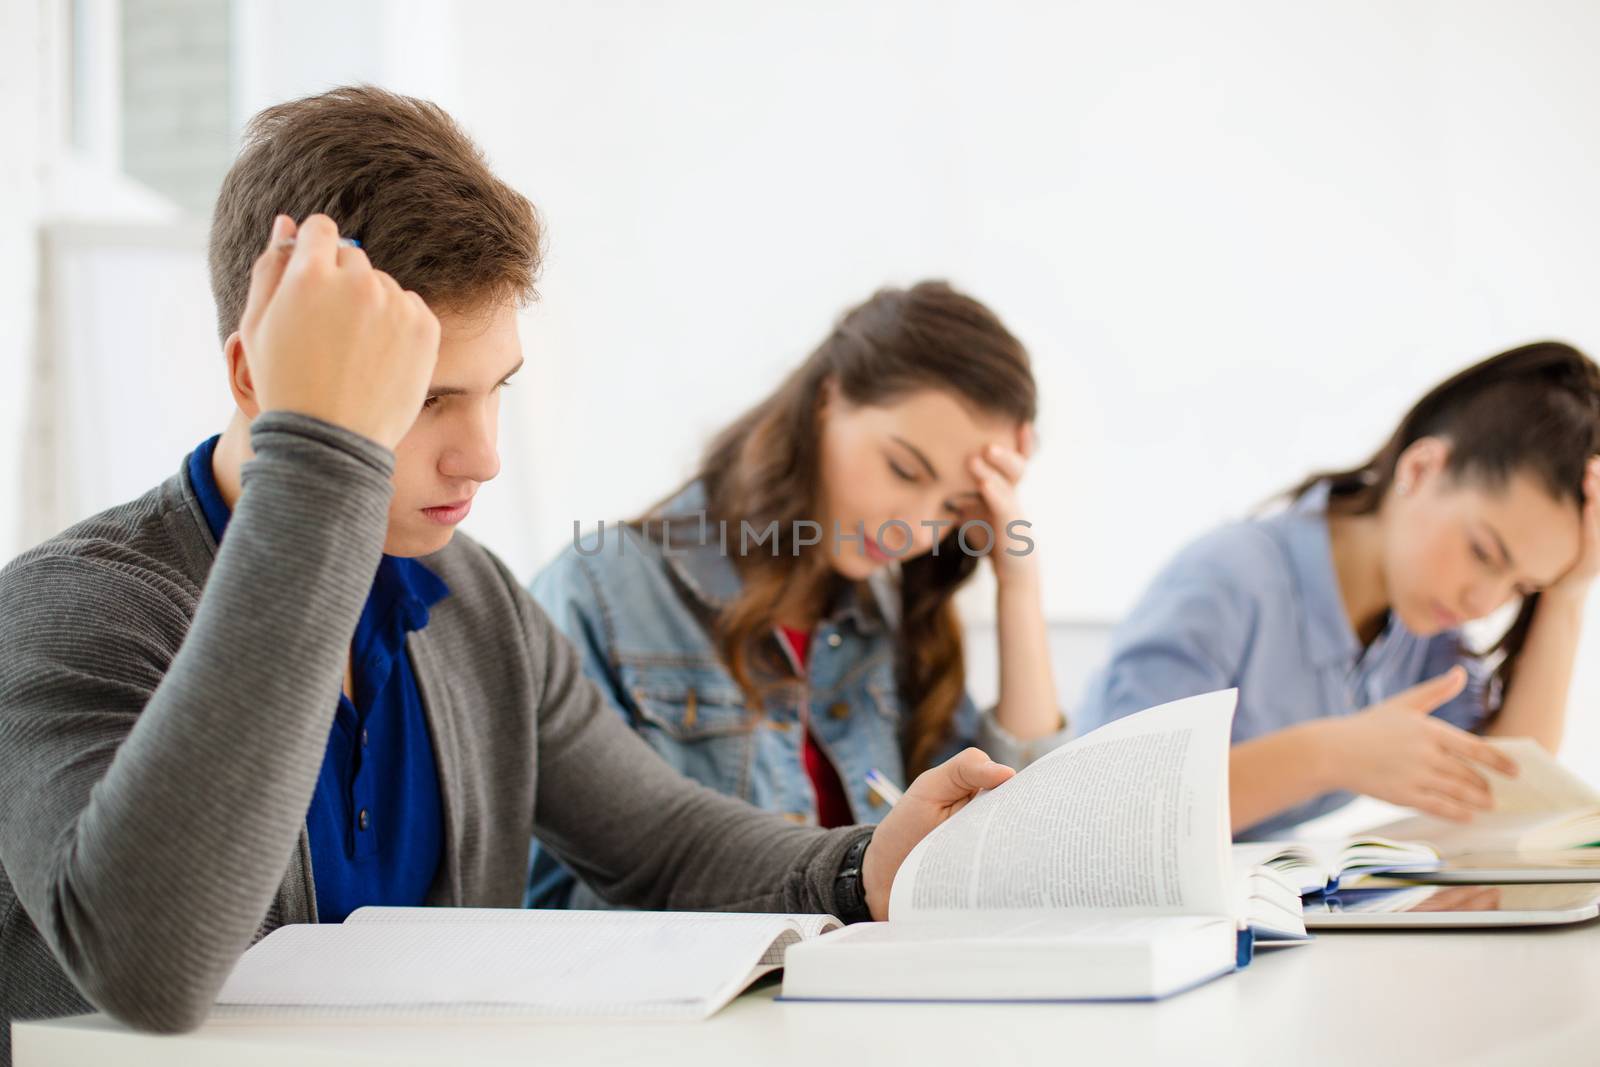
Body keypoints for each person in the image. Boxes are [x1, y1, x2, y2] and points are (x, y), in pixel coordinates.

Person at [0, 87, 1013, 1061]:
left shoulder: (473, 602)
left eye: (496, 392)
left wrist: (856, 863)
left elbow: (658, 838)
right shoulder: (72, 609)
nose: (482, 454)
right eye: (430, 396)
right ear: (258, 375)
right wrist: (316, 453)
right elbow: (149, 965)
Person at [525, 282, 1070, 908]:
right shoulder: (601, 588)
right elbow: (558, 898)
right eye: (904, 470)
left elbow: (1018, 837)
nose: (916, 528)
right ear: (826, 398)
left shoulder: (883, 613)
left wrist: (1018, 586)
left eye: (952, 507)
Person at [1074, 342, 1600, 839]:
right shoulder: (1230, 578)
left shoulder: (1421, 633)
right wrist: (1331, 754)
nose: (1484, 603)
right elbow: (1120, 808)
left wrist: (1569, 597)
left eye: (1524, 586)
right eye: (1484, 553)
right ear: (1419, 469)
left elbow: (1505, 794)